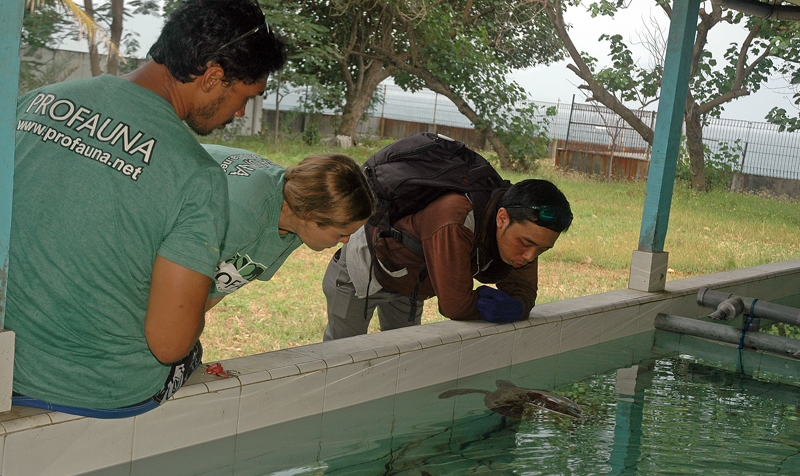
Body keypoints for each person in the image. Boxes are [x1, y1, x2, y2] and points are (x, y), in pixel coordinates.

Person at [7, 0, 286, 418]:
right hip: (99, 390)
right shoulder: (197, 174)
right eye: (246, 96)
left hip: (6, 364)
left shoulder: (35, 102)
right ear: (213, 77)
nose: (241, 111)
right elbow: (169, 344)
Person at [322, 178, 573, 340]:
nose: (529, 257)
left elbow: (523, 292)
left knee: (402, 361)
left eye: (541, 250)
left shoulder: (525, 230)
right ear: (502, 218)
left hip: (409, 283)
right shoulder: (455, 218)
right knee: (341, 355)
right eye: (526, 244)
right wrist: (496, 305)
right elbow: (455, 305)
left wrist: (517, 307)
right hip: (363, 268)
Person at [200, 145, 375, 310]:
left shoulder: (298, 204)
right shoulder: (242, 217)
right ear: (310, 217)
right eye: (342, 234)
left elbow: (220, 285)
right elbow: (185, 282)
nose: (346, 241)